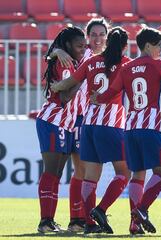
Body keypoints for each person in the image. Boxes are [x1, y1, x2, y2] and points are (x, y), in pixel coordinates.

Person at [91, 26, 161, 235]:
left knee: (137, 174)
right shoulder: (157, 65)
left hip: (130, 127)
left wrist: (96, 97)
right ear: (148, 46)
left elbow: (109, 94)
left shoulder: (127, 68)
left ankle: (130, 223)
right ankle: (140, 211)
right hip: (150, 127)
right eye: (159, 45)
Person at [51, 27, 131, 234]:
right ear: (124, 46)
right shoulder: (126, 64)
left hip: (88, 125)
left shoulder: (91, 62)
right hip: (111, 124)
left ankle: (89, 223)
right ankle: (101, 210)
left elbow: (70, 82)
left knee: (90, 177)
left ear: (106, 40)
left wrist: (57, 87)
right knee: (124, 172)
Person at [50, 18, 110, 232]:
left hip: (101, 120)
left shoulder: (110, 58)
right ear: (87, 36)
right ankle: (79, 220)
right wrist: (57, 51)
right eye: (93, 34)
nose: (97, 38)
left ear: (107, 35)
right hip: (78, 118)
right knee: (82, 170)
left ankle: (83, 219)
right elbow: (55, 49)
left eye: (101, 34)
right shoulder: (82, 55)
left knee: (89, 171)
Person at [36, 26, 86, 233]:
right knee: (51, 171)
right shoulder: (66, 63)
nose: (82, 50)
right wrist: (83, 78)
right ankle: (45, 222)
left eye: (84, 46)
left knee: (56, 173)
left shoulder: (69, 60)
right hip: (54, 120)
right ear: (67, 45)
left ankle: (49, 221)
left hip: (63, 122)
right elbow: (65, 97)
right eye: (78, 46)